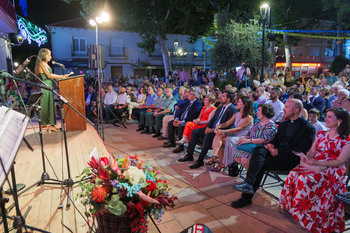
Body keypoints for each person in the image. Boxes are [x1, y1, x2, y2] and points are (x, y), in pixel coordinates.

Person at [231, 99, 315, 208]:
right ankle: (248, 184)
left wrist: (278, 151)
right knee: (259, 149)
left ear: (296, 110)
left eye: (287, 107)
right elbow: (276, 139)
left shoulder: (308, 128)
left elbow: (302, 150)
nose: (283, 109)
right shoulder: (284, 124)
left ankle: (246, 196)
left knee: (260, 164)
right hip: (276, 152)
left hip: (291, 158)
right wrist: (271, 145)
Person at [279, 108, 350, 232]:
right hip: (315, 164)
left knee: (304, 178)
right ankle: (296, 209)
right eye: (326, 116)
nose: (325, 119)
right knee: (293, 173)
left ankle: (307, 215)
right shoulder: (321, 134)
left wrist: (317, 162)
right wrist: (307, 156)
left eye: (329, 117)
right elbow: (312, 150)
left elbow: (340, 161)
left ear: (339, 121)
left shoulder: (346, 139)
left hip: (332, 169)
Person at [179, 91, 238, 168]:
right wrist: (208, 128)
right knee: (195, 131)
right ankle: (189, 155)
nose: (221, 97)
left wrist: (213, 130)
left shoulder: (233, 110)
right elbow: (213, 120)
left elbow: (229, 125)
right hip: (212, 129)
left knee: (208, 135)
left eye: (223, 96)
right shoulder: (220, 108)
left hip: (221, 132)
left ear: (228, 99)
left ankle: (200, 160)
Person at [208, 96, 254, 172]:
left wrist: (224, 131)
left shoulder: (249, 117)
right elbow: (227, 123)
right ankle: (214, 156)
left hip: (241, 138)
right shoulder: (237, 114)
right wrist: (219, 126)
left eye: (239, 102)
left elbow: (238, 129)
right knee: (219, 135)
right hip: (234, 135)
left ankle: (219, 162)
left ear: (244, 105)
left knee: (221, 138)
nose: (237, 103)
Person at [232, 104, 277, 170]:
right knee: (236, 156)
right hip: (252, 146)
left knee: (244, 159)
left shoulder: (271, 125)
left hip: (261, 149)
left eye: (259, 110)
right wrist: (243, 139)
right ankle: (251, 174)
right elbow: (249, 134)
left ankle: (251, 177)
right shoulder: (257, 123)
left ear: (265, 112)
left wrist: (248, 141)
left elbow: (264, 140)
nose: (256, 112)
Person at [34, 48, 69, 132]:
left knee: (49, 106)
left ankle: (50, 124)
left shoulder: (45, 64)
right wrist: (61, 76)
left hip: (49, 86)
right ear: (44, 55)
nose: (50, 56)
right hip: (45, 87)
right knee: (46, 106)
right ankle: (47, 124)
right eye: (49, 55)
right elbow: (49, 76)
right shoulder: (42, 64)